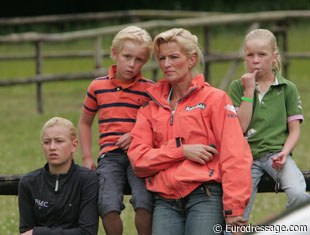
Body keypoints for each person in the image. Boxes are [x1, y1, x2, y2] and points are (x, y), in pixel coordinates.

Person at [127, 28, 253, 235]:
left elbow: (235, 154)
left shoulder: (216, 99)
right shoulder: (150, 107)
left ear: (191, 60)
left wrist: (234, 207)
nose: (166, 64)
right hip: (164, 201)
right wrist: (182, 151)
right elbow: (139, 160)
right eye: (162, 58)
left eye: (174, 57)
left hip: (205, 196)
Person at [79, 26, 154, 235]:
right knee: (107, 205)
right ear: (114, 53)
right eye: (127, 56)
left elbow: (157, 125)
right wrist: (87, 157)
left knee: (144, 202)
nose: (132, 64)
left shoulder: (150, 90)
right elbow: (85, 122)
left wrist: (136, 136)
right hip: (109, 157)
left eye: (139, 60)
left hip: (140, 155)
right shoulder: (97, 87)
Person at [228, 28, 310, 222]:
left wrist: (285, 151)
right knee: (239, 213)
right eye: (250, 55)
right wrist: (248, 92)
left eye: (262, 55)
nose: (255, 60)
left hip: (276, 155)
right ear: (245, 58)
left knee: (299, 195)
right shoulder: (237, 87)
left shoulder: (287, 88)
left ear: (274, 57)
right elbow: (239, 128)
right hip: (245, 157)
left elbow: (294, 130)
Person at [18, 117, 99, 235]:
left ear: (74, 145)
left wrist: (38, 232)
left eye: (59, 141)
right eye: (47, 142)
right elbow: (25, 232)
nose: (52, 147)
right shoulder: (28, 182)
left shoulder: (88, 180)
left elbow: (87, 232)